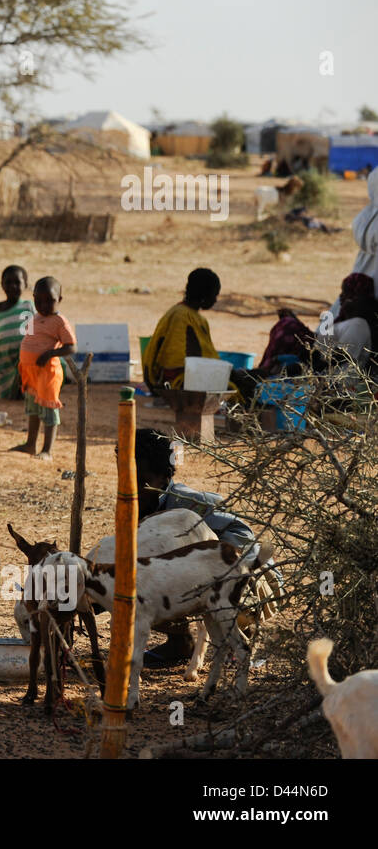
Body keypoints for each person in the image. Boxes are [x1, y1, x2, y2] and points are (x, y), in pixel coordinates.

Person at [131, 429, 276, 668]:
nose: (131, 488)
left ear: (163, 479)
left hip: (251, 580)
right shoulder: (138, 509)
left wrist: (215, 568)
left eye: (140, 480)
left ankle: (243, 635)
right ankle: (180, 643)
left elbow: (244, 537)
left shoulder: (190, 504)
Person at [11, 276, 75, 461]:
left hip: (48, 373)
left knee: (48, 410)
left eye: (50, 300)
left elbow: (71, 346)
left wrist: (48, 355)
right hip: (30, 373)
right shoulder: (35, 316)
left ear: (60, 299)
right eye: (38, 300)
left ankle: (47, 450)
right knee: (33, 409)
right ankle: (30, 444)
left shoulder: (60, 321)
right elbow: (29, 341)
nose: (44, 305)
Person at [142, 267, 221, 393]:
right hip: (174, 383)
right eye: (214, 295)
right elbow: (175, 362)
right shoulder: (181, 316)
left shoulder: (198, 318)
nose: (215, 300)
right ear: (204, 293)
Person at [0, 264, 32, 401]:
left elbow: (33, 330)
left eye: (17, 282)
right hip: (3, 357)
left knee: (24, 375)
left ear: (26, 284)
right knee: (7, 383)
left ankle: (23, 393)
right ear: (2, 285)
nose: (12, 286)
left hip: (23, 354)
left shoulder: (27, 306)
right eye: (8, 282)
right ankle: (12, 394)